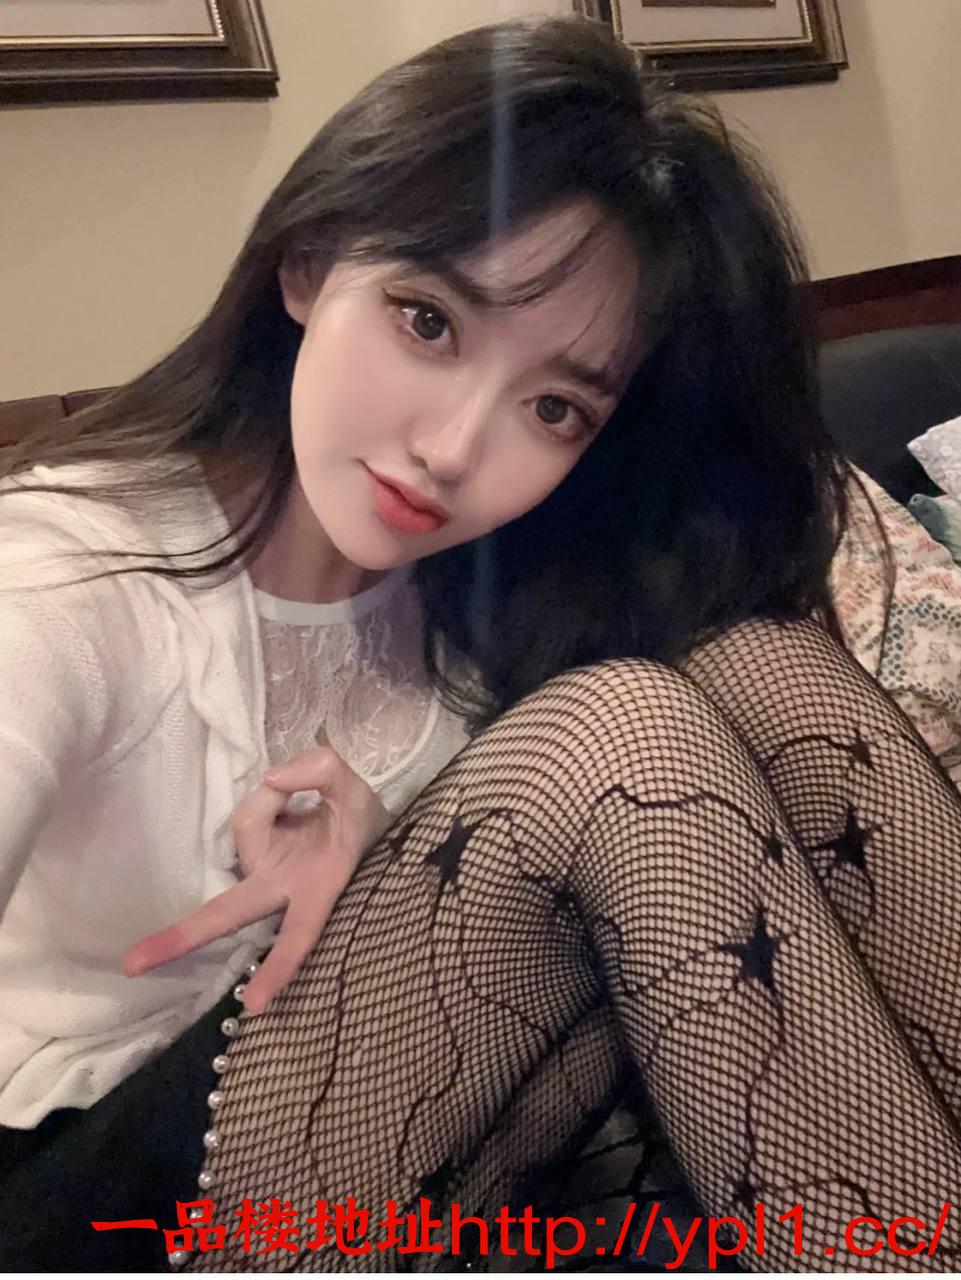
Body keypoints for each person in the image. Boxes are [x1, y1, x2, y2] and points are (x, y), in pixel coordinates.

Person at [1, 13, 960, 1273]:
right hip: (80, 1200)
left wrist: (384, 874)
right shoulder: (68, 575)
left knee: (755, 665)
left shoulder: (477, 590)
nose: (452, 449)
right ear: (308, 264)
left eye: (553, 405)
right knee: (617, 730)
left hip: (389, 1133)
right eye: (428, 321)